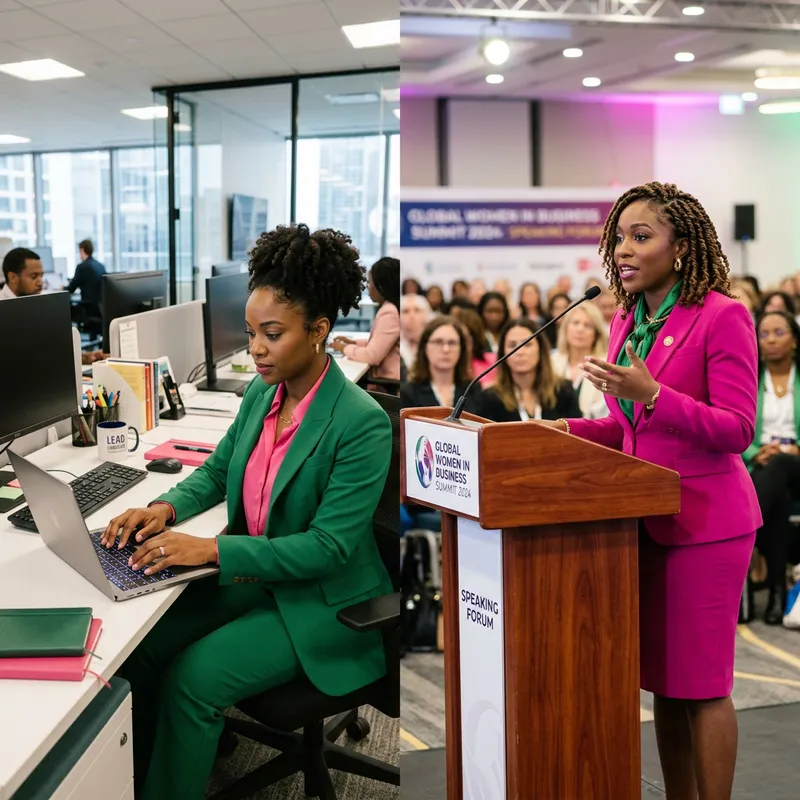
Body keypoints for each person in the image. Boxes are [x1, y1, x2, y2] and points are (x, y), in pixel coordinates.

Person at [101, 224, 393, 800]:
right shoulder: (263, 392)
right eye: (251, 332)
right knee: (139, 653)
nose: (255, 348)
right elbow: (215, 471)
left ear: (319, 331)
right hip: (256, 575)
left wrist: (212, 549)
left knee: (192, 679)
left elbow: (327, 548)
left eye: (273, 334)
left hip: (321, 599)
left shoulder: (362, 422)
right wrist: (164, 506)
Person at [536, 182, 760, 799]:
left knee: (704, 686)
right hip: (644, 519)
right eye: (619, 237)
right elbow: (628, 429)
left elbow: (737, 429)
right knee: (664, 682)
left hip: (708, 525)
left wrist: (655, 395)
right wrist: (563, 429)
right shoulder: (627, 319)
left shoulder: (723, 315)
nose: (625, 250)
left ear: (681, 247)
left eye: (642, 236)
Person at [743, 310, 800, 623]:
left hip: (798, 464)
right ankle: (777, 594)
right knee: (775, 500)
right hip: (762, 466)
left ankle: (744, 520)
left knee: (779, 465)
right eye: (763, 334)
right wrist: (753, 453)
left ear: (794, 339)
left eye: (779, 332)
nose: (770, 340)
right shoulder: (750, 375)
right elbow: (735, 425)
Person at [1, 246, 106, 364]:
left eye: (41, 275)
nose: (40, 282)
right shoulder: (4, 309)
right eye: (34, 276)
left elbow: (48, 347)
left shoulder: (36, 304)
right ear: (13, 277)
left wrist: (84, 357)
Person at [477, 317, 580, 422]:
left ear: (540, 349)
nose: (520, 352)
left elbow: (578, 434)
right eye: (512, 345)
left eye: (527, 344)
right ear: (503, 353)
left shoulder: (563, 390)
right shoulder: (490, 398)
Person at [332, 256, 400, 382]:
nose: (368, 288)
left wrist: (343, 348)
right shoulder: (392, 307)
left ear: (382, 286)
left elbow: (372, 356)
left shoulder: (390, 312)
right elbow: (382, 343)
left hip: (387, 383)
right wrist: (354, 343)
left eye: (370, 282)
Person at [400, 315, 483, 415]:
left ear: (462, 349)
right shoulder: (408, 392)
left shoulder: (474, 390)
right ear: (425, 347)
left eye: (452, 343)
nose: (446, 349)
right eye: (438, 342)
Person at [551, 301, 609, 419]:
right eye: (575, 323)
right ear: (566, 328)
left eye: (587, 325)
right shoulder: (551, 361)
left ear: (596, 333)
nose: (580, 329)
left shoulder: (605, 365)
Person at [66, 239, 106, 313]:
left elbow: (71, 288)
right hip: (100, 308)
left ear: (82, 250)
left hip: (88, 309)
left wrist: (62, 288)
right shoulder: (101, 266)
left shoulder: (82, 267)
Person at [400, 293, 433, 371]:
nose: (412, 316)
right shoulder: (395, 343)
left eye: (417, 310)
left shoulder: (435, 343)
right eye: (406, 311)